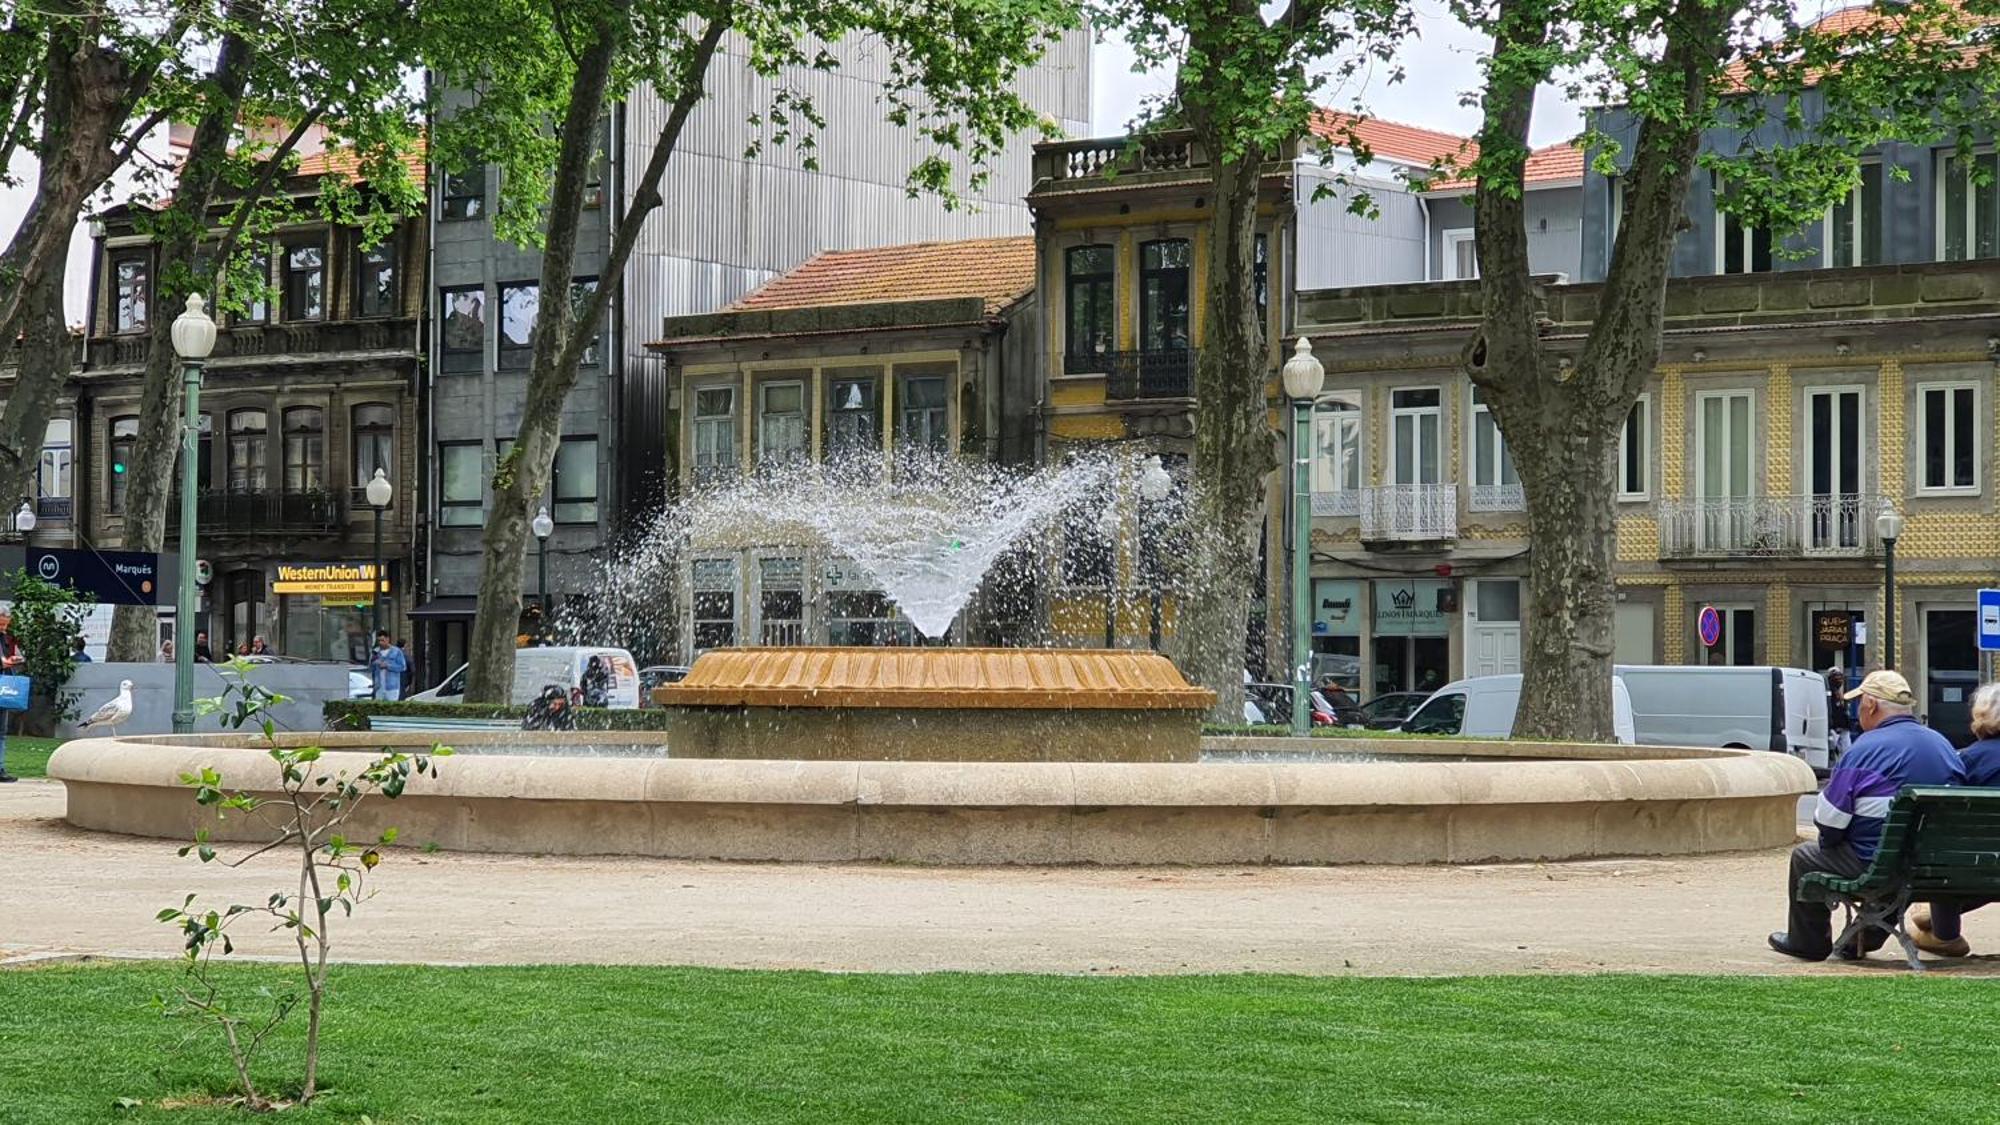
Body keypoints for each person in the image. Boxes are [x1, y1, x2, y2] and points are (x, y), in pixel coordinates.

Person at [1770, 669, 1965, 962]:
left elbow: (1829, 822)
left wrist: (1834, 839)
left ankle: (1807, 942)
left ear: (1871, 705)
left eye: (1859, 703)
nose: (1857, 710)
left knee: (1806, 856)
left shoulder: (1864, 749)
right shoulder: (1942, 746)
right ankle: (1861, 937)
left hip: (1878, 864)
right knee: (1889, 857)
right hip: (1932, 866)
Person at [1909, 683, 2000, 957]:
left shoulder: (1965, 760)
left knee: (1951, 856)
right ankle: (1933, 919)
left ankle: (1944, 935)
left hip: (1966, 867)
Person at [0, 610, 22, 783]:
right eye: (1, 623)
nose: (3, 627)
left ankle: (0, 768)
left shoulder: (8, 639)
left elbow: (19, 656)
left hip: (4, 685)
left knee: (2, 731)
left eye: (6, 623)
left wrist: (15, 659)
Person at [371, 629, 407, 702]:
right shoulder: (376, 652)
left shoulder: (396, 651)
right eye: (379, 641)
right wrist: (375, 663)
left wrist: (388, 666)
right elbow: (372, 668)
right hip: (379, 687)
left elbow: (402, 667)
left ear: (388, 639)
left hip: (392, 687)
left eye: (382, 640)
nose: (380, 643)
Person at [1825, 667, 1852, 762]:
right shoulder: (1828, 693)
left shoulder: (1840, 693)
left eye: (1840, 676)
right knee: (1833, 753)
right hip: (1834, 728)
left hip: (1844, 728)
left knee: (1846, 753)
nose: (1839, 679)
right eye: (1835, 676)